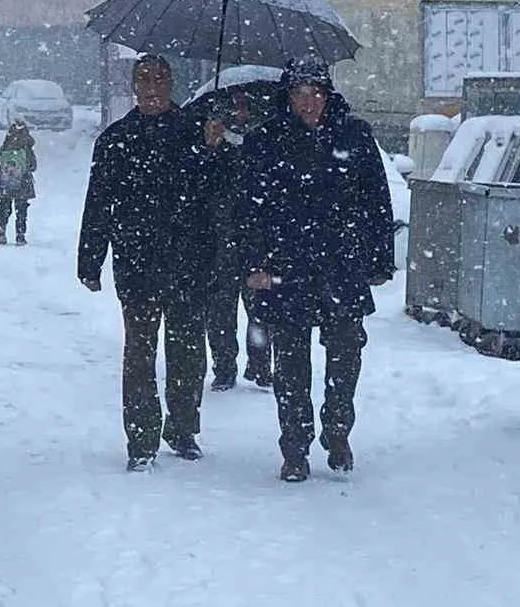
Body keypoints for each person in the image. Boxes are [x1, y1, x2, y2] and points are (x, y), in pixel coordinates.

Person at [236, 57, 395, 482]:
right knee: (290, 364)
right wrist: (253, 264)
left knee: (346, 355)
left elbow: (376, 199)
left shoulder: (354, 136)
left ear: (328, 94)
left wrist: (379, 258)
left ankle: (338, 429)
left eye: (316, 93)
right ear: (288, 97)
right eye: (300, 94)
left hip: (341, 265)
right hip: (285, 267)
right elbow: (247, 210)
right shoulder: (265, 140)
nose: (309, 103)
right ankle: (295, 446)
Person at [79, 53, 211, 472]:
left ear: (171, 84)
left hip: (189, 260)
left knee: (188, 350)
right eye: (144, 79)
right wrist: (90, 257)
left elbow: (219, 196)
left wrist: (214, 151)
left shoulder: (196, 131)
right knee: (139, 352)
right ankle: (141, 438)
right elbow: (97, 204)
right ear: (134, 87)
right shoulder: (116, 139)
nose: (152, 87)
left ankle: (183, 426)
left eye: (159, 79)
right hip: (137, 261)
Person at [198, 89, 272, 392]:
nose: (240, 113)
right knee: (220, 310)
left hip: (255, 240)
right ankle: (224, 366)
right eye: (234, 107)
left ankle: (260, 366)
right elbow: (200, 185)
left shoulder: (263, 142)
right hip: (219, 238)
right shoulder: (213, 140)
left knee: (260, 308)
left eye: (246, 106)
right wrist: (209, 150)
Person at [0, 119, 37, 246]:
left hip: (5, 183)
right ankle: (20, 235)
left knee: (4, 206)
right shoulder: (26, 146)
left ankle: (1, 228)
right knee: (21, 209)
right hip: (23, 183)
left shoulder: (6, 145)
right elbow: (33, 166)